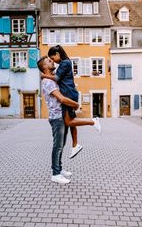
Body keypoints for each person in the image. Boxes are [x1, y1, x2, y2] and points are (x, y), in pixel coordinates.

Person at [37, 55, 101, 184]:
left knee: (61, 145)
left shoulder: (52, 79)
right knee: (57, 146)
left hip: (61, 116)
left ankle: (59, 169)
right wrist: (75, 104)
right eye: (49, 61)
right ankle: (55, 174)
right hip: (57, 118)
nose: (52, 61)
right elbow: (61, 98)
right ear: (44, 67)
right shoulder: (48, 82)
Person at [42, 45, 101, 159]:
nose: (53, 61)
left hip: (68, 94)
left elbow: (57, 78)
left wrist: (44, 75)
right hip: (70, 93)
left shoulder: (65, 63)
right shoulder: (65, 63)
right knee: (72, 121)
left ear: (57, 54)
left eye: (53, 58)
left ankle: (93, 121)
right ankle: (75, 145)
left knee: (68, 122)